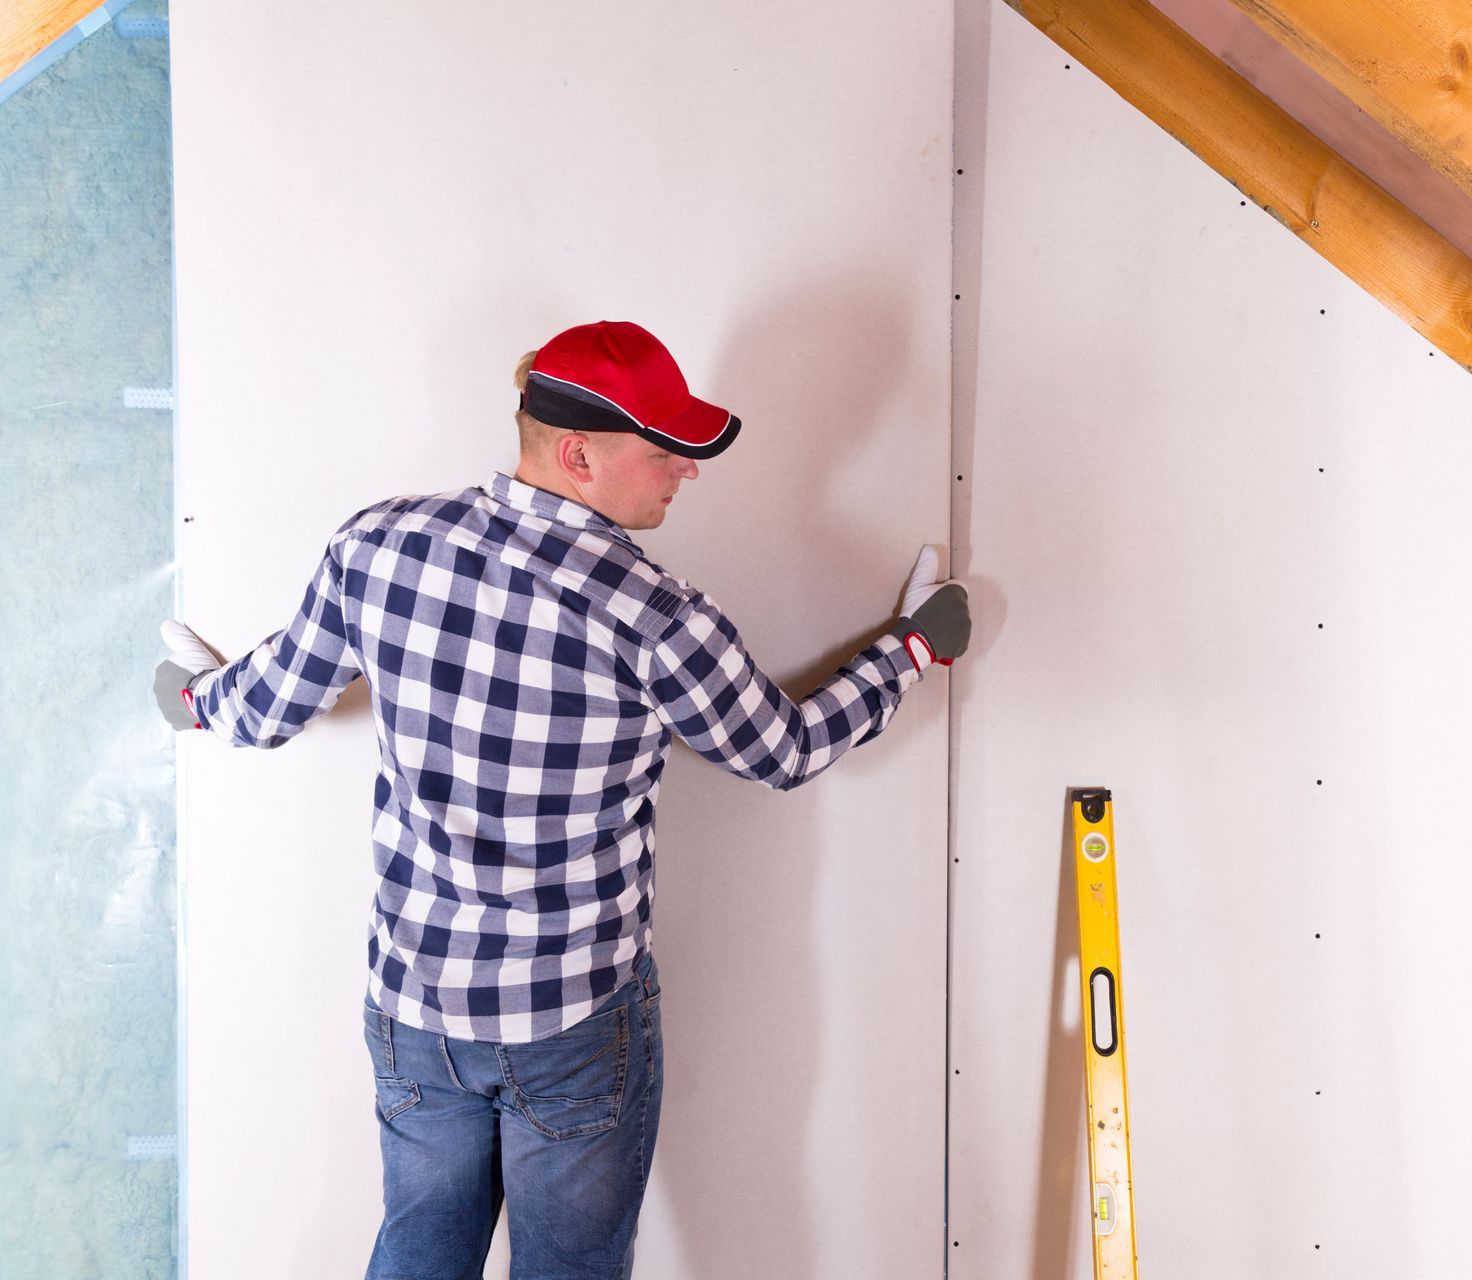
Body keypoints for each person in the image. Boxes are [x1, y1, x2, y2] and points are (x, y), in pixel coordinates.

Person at [151, 319, 971, 1279]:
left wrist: (197, 702)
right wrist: (915, 649)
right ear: (579, 453)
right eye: (666, 450)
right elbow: (781, 752)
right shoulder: (657, 615)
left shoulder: (376, 547)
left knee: (419, 1251)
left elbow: (272, 700)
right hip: (572, 1024)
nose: (687, 471)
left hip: (417, 1008)